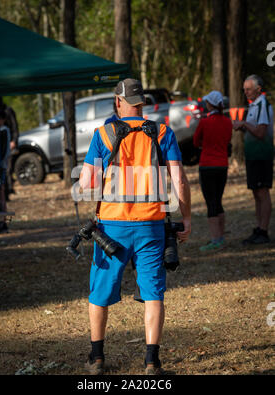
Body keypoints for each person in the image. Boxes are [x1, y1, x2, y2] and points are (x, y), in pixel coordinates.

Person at [79, 78, 191, 375]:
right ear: (142, 103)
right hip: (152, 224)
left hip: (111, 226)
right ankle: (152, 361)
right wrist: (187, 217)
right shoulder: (163, 132)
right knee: (153, 293)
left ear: (118, 102)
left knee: (99, 293)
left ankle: (97, 357)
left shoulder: (102, 134)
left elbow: (86, 184)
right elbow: (179, 181)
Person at [233, 75, 273, 244]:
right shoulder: (254, 106)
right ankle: (259, 228)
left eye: (248, 89)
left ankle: (263, 231)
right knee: (256, 192)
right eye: (244, 89)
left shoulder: (262, 105)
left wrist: (243, 124)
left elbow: (261, 132)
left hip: (261, 155)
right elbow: (253, 131)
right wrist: (243, 127)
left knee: (262, 192)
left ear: (258, 89)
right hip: (253, 155)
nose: (245, 92)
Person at [193, 91, 232, 251]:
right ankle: (221, 237)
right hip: (222, 165)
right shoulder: (228, 122)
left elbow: (196, 141)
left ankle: (215, 240)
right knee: (218, 200)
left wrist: (205, 145)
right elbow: (228, 140)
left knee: (211, 203)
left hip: (207, 165)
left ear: (210, 104)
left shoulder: (205, 122)